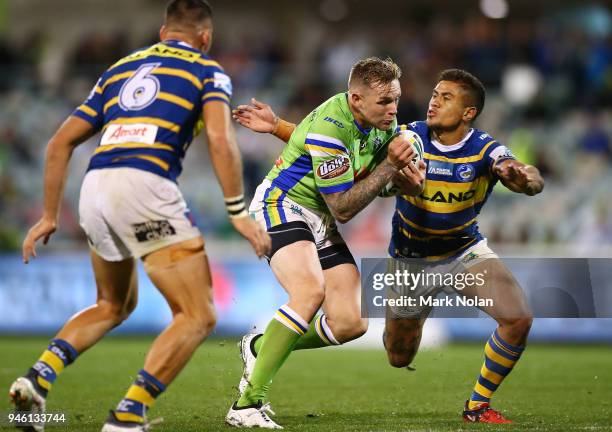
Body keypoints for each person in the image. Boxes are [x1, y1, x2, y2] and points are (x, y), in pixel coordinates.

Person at [9, 1, 270, 431]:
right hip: (146, 185)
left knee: (112, 304)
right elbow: (222, 142)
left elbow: (59, 143)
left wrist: (48, 215)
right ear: (205, 38)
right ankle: (128, 415)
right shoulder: (208, 71)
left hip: (94, 187)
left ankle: (37, 380)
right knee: (198, 314)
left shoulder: (119, 68)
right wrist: (238, 213)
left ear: (163, 31)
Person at [231, 68, 545, 424]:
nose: (433, 102)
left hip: (463, 251)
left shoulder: (483, 148)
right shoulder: (405, 137)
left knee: (517, 317)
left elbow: (524, 174)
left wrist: (524, 177)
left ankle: (477, 405)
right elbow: (333, 155)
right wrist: (278, 127)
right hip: (410, 260)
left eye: (446, 97)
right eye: (434, 94)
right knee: (399, 354)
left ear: (468, 112)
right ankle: (261, 356)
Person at [225, 57, 425, 429]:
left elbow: (368, 178)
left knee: (350, 323)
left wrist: (405, 184)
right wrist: (391, 168)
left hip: (320, 217)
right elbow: (345, 206)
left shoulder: (381, 124)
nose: (393, 109)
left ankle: (260, 346)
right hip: (282, 205)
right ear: (355, 99)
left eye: (396, 99)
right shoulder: (332, 128)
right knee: (309, 291)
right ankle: (246, 404)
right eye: (384, 102)